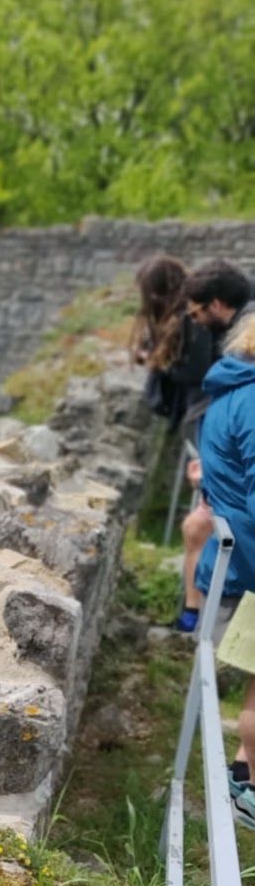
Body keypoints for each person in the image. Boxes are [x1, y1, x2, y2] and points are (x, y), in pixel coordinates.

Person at [190, 312, 255, 825]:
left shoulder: (230, 391)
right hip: (249, 567)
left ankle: (241, 775)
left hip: (233, 560)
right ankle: (249, 788)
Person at [176, 259, 252, 631]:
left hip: (236, 532)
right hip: (240, 529)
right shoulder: (241, 378)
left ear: (217, 304)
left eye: (197, 313)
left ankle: (194, 618)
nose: (195, 321)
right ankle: (193, 616)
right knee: (195, 527)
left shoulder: (237, 365)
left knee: (196, 526)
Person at [131, 255, 213, 430]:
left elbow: (197, 372)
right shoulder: (176, 314)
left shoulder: (193, 318)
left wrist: (160, 364)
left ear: (157, 292)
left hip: (203, 404)